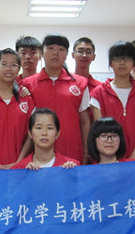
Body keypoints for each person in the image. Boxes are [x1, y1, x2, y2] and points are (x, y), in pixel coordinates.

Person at [19, 34, 91, 164]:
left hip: (72, 149)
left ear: (67, 55)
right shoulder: (27, 84)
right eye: (51, 48)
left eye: (61, 49)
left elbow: (85, 121)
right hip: (38, 154)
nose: (55, 53)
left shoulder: (80, 83)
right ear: (42, 53)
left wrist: (87, 152)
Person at [90, 42, 135, 160]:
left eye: (127, 58)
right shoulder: (98, 94)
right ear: (110, 63)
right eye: (117, 58)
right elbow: (100, 129)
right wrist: (113, 159)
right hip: (108, 159)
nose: (122, 63)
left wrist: (134, 157)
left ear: (134, 63)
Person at [11, 108, 78, 169]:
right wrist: (25, 175)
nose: (44, 133)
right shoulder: (19, 169)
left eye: (49, 128)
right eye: (39, 128)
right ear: (30, 133)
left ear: (57, 134)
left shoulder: (72, 166)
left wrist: (71, 174)